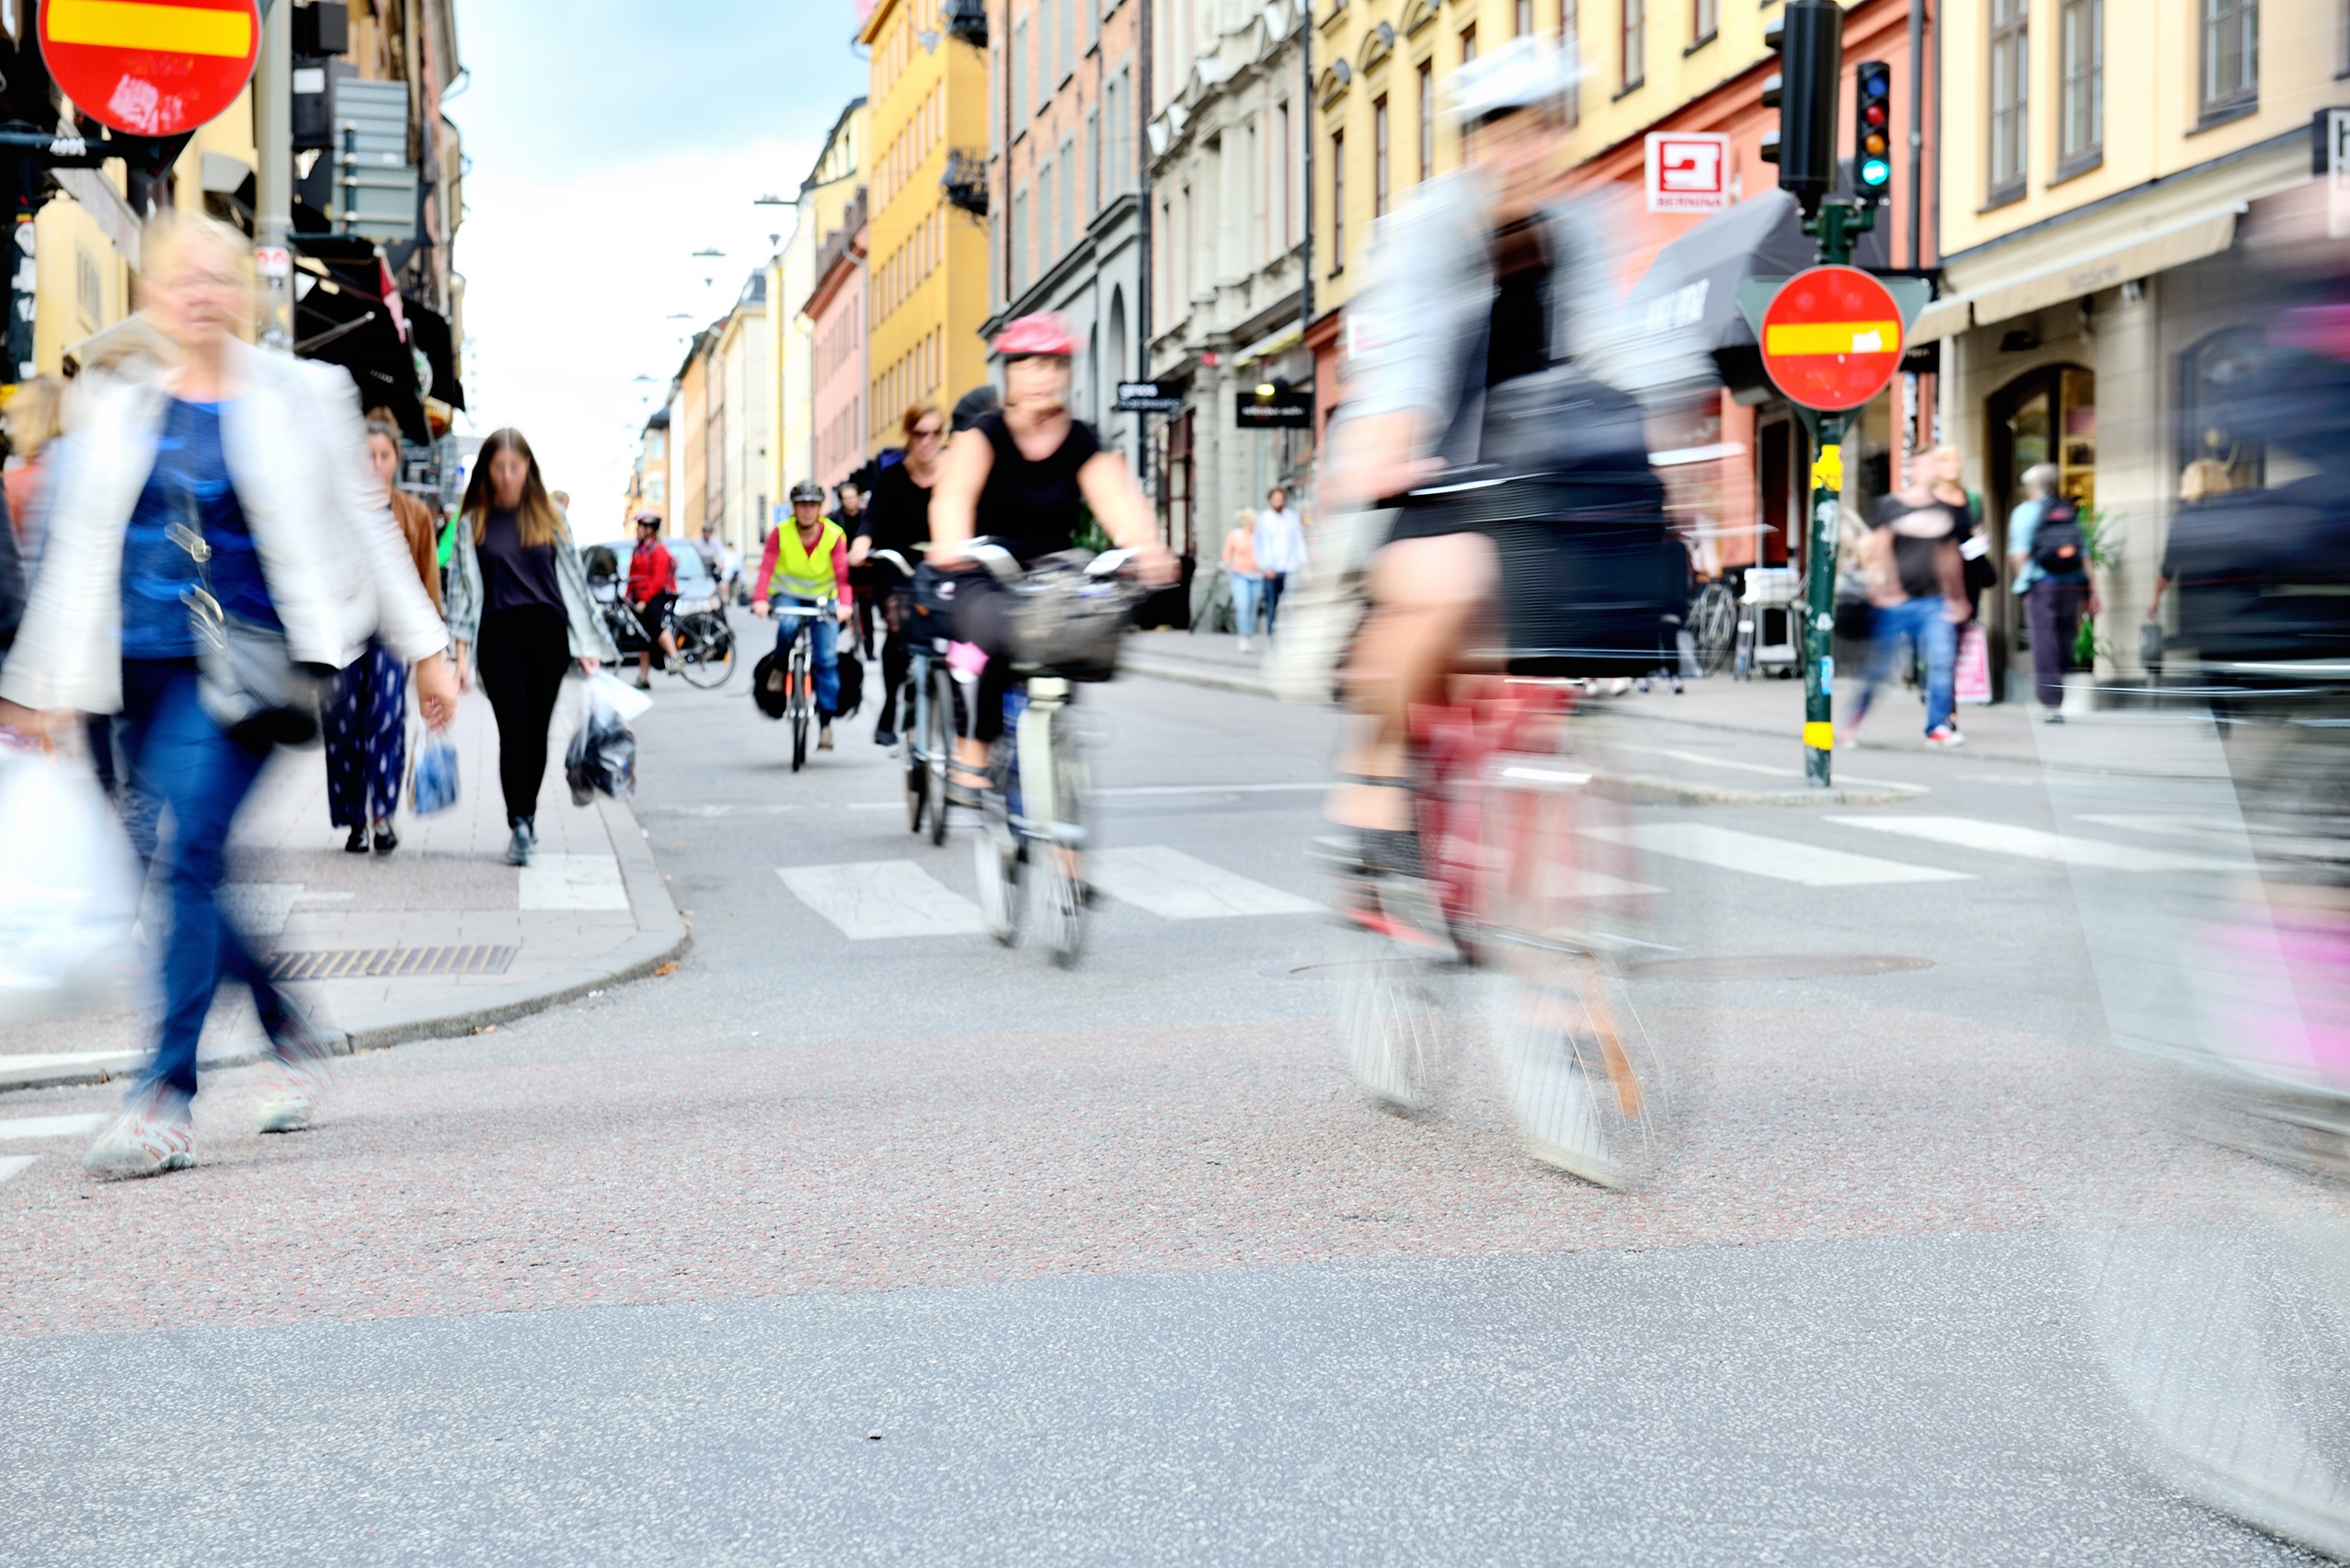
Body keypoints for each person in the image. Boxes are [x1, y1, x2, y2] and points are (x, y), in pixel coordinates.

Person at [0, 211, 457, 1173]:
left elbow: (368, 524)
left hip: (248, 666)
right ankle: (290, 1025)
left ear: (243, 292)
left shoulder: (304, 393)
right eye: (181, 277)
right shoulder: (120, 402)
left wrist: (426, 649)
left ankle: (164, 1096)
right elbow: (80, 550)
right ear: (155, 294)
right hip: (135, 670)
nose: (199, 291)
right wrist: (34, 686)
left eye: (218, 275)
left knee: (186, 855)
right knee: (176, 868)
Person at [1314, 40, 1709, 868]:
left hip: (1539, 488)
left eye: (1539, 129)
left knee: (1575, 630)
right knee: (1451, 581)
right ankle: (1373, 776)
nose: (1521, 151)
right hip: (1431, 478)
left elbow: (1623, 346)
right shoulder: (1427, 230)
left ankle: (1533, 891)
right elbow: (1406, 361)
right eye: (1502, 133)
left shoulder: (1583, 225)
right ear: (1472, 144)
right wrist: (1389, 452)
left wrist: (1692, 446)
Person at [928, 314, 1175, 800]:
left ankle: (1067, 859)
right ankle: (975, 749)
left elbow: (1116, 499)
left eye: (1053, 366)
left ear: (1066, 375)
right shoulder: (986, 433)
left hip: (1055, 578)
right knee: (1004, 636)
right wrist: (951, 543)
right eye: (1029, 365)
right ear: (1010, 375)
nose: (1042, 377)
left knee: (1076, 645)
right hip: (988, 571)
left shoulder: (1080, 438)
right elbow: (953, 496)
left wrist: (1146, 547)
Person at [445, 428, 617, 867]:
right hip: (498, 634)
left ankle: (529, 815)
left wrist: (586, 642)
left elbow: (574, 583)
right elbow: (463, 592)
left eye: (514, 467)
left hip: (548, 635)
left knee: (537, 732)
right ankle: (517, 823)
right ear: (486, 471)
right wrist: (461, 657)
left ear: (528, 469)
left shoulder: (551, 517)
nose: (506, 475)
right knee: (515, 726)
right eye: (498, 468)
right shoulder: (473, 522)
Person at [322, 418, 445, 854]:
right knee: (343, 725)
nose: (375, 464)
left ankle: (383, 815)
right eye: (368, 455)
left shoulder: (412, 513)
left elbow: (428, 581)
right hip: (342, 635)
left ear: (395, 460)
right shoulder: (334, 512)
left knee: (387, 720)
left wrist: (433, 652)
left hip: (393, 635)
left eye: (384, 456)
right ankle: (355, 819)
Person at [1845, 454, 1972, 748]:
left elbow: (1949, 554)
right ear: (1913, 470)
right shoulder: (1891, 505)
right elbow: (1878, 548)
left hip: (1933, 602)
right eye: (1925, 464)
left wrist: (1957, 597)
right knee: (1877, 668)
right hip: (1895, 604)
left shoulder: (1945, 510)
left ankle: (1938, 726)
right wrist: (1887, 589)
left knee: (1942, 661)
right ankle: (1853, 722)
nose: (1931, 470)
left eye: (1935, 464)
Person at [848, 406, 943, 745]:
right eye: (921, 434)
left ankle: (948, 700)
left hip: (940, 566)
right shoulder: (892, 479)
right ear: (909, 436)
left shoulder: (952, 477)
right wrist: (861, 545)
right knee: (899, 629)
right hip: (897, 569)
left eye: (936, 433)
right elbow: (871, 520)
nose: (928, 441)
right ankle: (891, 705)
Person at [752, 479, 853, 751]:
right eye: (801, 505)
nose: (807, 510)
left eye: (812, 505)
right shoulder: (780, 533)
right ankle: (780, 666)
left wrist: (844, 605)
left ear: (819, 508)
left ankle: (826, 723)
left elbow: (843, 577)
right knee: (786, 626)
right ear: (794, 508)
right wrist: (760, 599)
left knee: (826, 658)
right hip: (788, 595)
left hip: (824, 599)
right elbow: (766, 568)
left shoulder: (834, 535)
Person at [2007, 462, 2097, 722]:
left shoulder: (2025, 513)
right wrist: (2092, 589)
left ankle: (2052, 704)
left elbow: (2019, 554)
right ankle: (2062, 692)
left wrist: (2025, 580)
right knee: (2064, 639)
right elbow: (2084, 552)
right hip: (2071, 586)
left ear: (2031, 487)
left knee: (2043, 642)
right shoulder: (2066, 509)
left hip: (2042, 585)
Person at [625, 510, 681, 690]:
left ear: (649, 529)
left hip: (655, 596)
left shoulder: (659, 550)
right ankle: (644, 678)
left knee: (655, 626)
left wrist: (644, 600)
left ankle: (675, 658)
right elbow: (632, 575)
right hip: (640, 597)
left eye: (639, 527)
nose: (637, 530)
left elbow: (657, 581)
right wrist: (628, 597)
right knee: (643, 637)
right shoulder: (639, 549)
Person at [1253, 485, 1306, 637]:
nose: (1279, 501)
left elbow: (1298, 541)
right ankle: (1272, 639)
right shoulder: (1264, 519)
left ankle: (1289, 638)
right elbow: (1258, 544)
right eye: (1276, 499)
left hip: (1289, 568)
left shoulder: (1292, 517)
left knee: (1290, 605)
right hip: (1271, 570)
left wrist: (1304, 567)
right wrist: (1265, 566)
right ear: (1270, 500)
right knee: (1272, 605)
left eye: (1281, 499)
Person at [1221, 509, 1265, 651]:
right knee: (1243, 606)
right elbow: (1227, 552)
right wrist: (1228, 564)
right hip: (1240, 575)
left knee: (1252, 608)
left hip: (1257, 576)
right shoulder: (1235, 535)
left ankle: (1249, 636)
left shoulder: (1259, 536)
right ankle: (1243, 637)